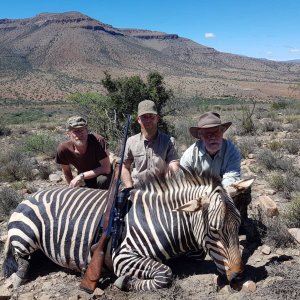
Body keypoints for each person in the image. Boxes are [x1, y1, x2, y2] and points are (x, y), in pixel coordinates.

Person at [121, 100, 180, 188]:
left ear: (157, 118)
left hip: (161, 189)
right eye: (144, 117)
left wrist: (166, 185)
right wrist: (129, 187)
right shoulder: (131, 141)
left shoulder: (169, 141)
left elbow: (173, 164)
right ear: (138, 120)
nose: (148, 120)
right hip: (137, 189)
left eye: (151, 116)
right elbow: (124, 166)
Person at [180, 111, 241, 188]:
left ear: (222, 132)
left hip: (224, 192)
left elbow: (232, 178)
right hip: (198, 194)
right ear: (200, 136)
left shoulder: (231, 151)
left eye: (216, 132)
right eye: (207, 133)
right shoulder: (189, 156)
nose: (212, 137)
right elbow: (184, 183)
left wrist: (217, 194)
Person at [55, 116, 112, 189]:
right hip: (85, 176)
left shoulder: (98, 141)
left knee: (102, 180)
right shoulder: (63, 149)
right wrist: (72, 186)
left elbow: (106, 169)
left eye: (82, 130)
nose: (80, 134)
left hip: (101, 174)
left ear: (87, 131)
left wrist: (81, 176)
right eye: (75, 131)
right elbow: (66, 171)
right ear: (68, 133)